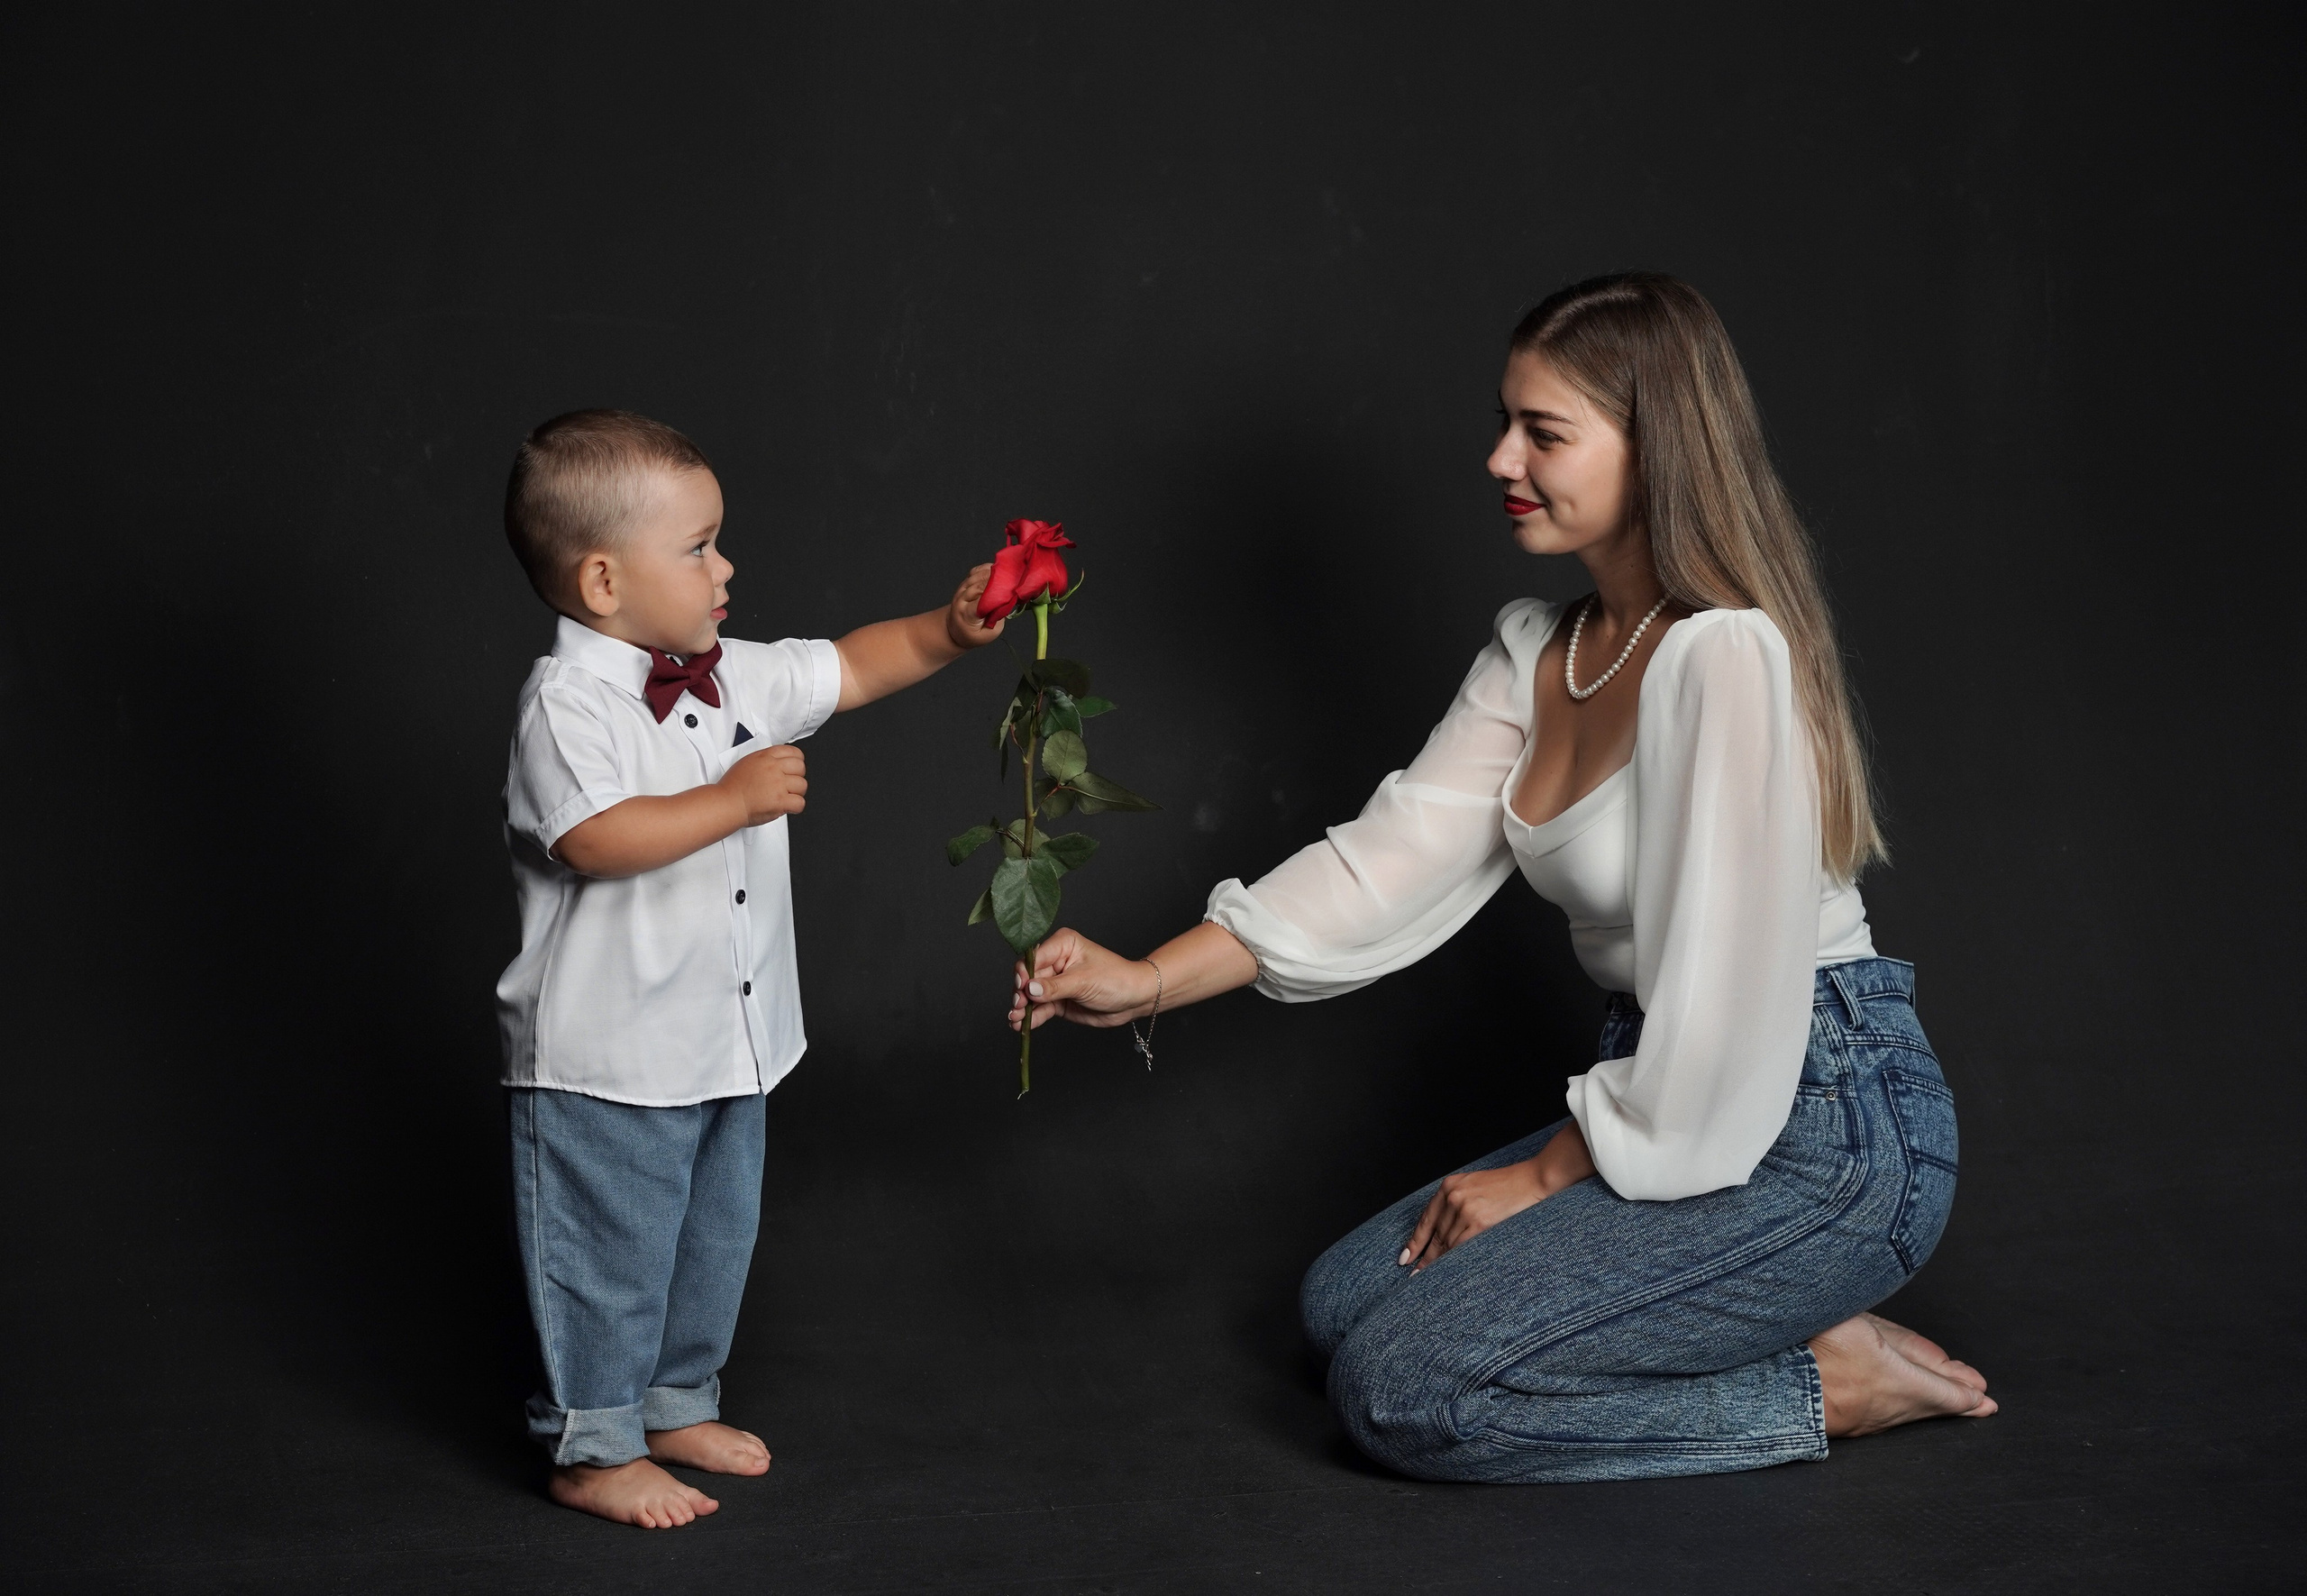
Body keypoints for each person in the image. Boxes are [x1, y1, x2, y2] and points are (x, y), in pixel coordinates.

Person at [1007, 274, 1996, 1483]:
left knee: (1404, 1386)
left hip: (1821, 1117)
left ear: (1656, 450)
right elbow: (1387, 860)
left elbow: (1733, 1010)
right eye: (1504, 419)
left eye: (1544, 431)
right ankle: (1743, 1313)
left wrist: (1544, 1173)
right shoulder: (1544, 649)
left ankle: (1822, 1385)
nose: (1498, 457)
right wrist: (1143, 978)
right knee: (1341, 1302)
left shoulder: (1720, 654)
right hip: (1663, 1081)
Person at [497, 409, 1004, 1527]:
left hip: (730, 1039)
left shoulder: (728, 678)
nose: (727, 567)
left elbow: (855, 666)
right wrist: (729, 799)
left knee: (710, 1237)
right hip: (609, 1059)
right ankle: (591, 1441)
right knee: (610, 1252)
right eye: (699, 546)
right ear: (601, 581)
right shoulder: (568, 705)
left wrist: (951, 629)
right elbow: (594, 837)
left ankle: (675, 1398)